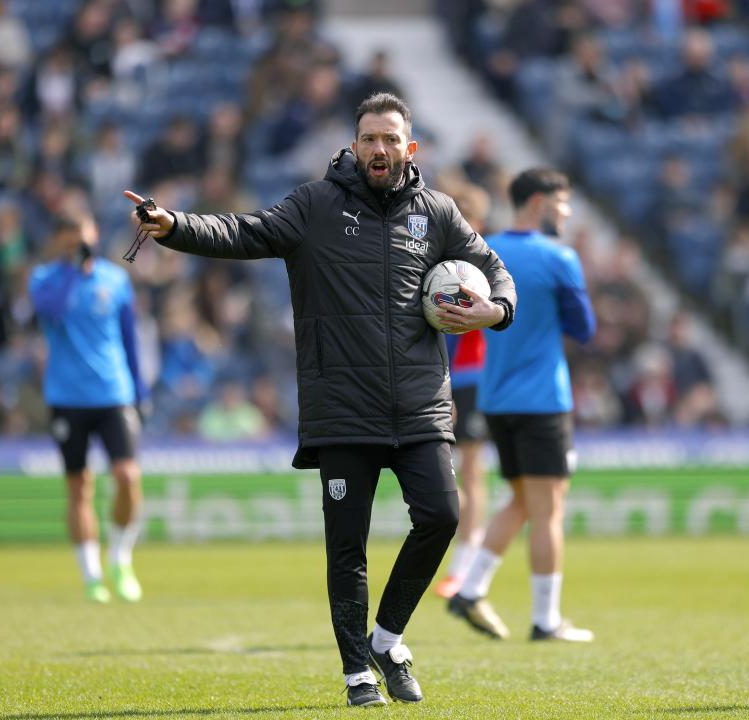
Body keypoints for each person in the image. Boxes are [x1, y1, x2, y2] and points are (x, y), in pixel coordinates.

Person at [124, 92, 516, 707]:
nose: (379, 149)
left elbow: (492, 267)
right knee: (347, 548)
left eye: (390, 139)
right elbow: (241, 231)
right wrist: (175, 225)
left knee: (442, 517)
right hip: (342, 409)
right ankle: (357, 671)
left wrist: (497, 310)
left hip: (419, 406)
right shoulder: (314, 206)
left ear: (409, 148)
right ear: (354, 146)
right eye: (369, 139)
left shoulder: (437, 213)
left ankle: (388, 639)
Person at [447, 168, 597, 642]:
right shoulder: (558, 257)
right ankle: (545, 619)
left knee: (521, 500)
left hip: (495, 398)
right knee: (549, 507)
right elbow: (585, 328)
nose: (566, 212)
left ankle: (470, 589)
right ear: (538, 203)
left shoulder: (484, 253)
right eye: (562, 202)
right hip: (542, 399)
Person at [28, 215, 148, 605]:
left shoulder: (115, 280)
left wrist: (140, 391)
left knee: (127, 476)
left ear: (95, 235)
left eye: (84, 237)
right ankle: (92, 575)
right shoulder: (45, 279)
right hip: (66, 398)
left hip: (114, 394)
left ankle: (120, 558)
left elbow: (129, 339)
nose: (80, 244)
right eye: (71, 239)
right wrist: (72, 270)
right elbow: (53, 311)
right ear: (59, 242)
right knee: (79, 487)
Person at [434, 183, 493, 600]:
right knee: (460, 474)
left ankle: (465, 567)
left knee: (470, 472)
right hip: (453, 377)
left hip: (474, 378)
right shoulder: (444, 265)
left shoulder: (483, 267)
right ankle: (465, 563)